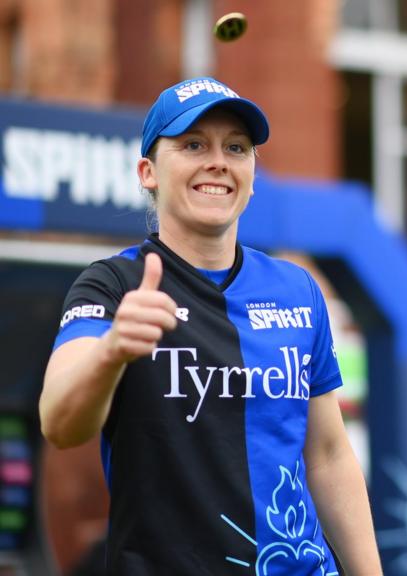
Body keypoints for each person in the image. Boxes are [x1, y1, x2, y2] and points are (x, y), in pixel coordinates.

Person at [39, 77, 382, 575]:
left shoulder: (297, 290)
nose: (218, 160)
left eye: (236, 147)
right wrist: (111, 352)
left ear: (251, 174)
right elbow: (58, 422)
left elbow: (328, 454)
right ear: (148, 171)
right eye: (193, 144)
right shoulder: (112, 285)